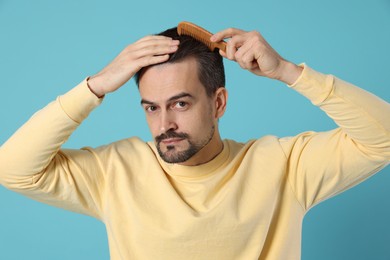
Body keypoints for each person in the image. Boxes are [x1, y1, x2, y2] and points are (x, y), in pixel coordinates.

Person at [0, 25, 389, 260]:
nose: (164, 124)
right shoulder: (116, 170)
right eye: (151, 108)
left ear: (218, 102)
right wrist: (96, 85)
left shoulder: (285, 164)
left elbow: (383, 138)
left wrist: (290, 72)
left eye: (180, 104)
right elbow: (12, 169)